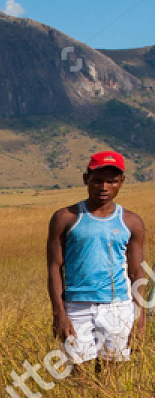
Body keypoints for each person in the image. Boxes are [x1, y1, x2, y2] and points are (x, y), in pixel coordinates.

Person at [47, 151, 146, 371]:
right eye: (98, 180)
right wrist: (59, 314)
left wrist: (139, 318)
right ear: (86, 180)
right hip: (76, 307)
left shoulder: (131, 221)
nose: (104, 187)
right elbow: (54, 267)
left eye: (112, 181)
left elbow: (137, 274)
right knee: (78, 374)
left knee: (111, 376)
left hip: (118, 307)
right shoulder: (66, 217)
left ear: (121, 182)